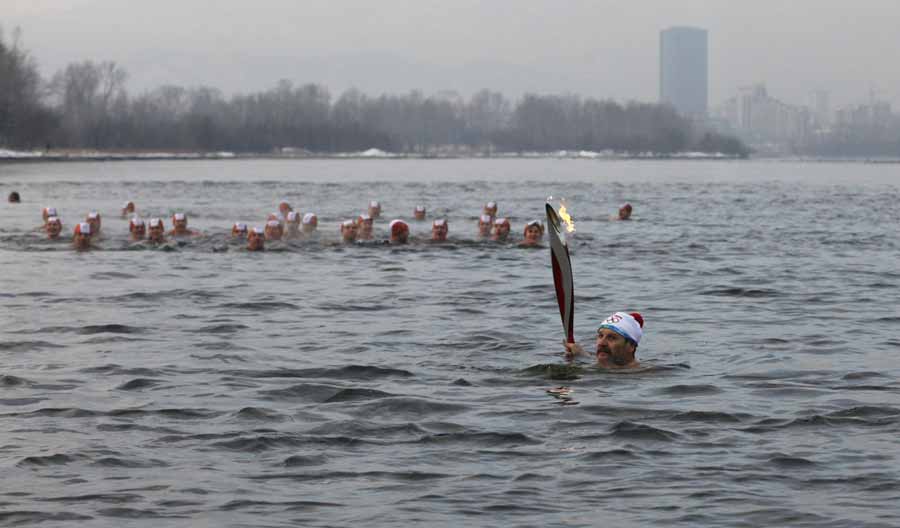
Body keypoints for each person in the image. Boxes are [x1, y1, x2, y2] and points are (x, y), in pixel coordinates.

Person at [564, 312, 644, 369]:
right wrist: (579, 356)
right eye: (600, 336)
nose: (602, 343)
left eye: (612, 338)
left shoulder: (643, 375)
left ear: (631, 346)